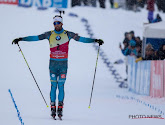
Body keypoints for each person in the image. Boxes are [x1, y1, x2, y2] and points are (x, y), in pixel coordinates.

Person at [12, 15, 104, 119]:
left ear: (62, 23)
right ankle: (52, 108)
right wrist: (21, 39)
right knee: (53, 86)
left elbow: (82, 39)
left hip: (63, 65)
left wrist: (95, 40)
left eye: (58, 23)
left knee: (61, 86)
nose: (56, 25)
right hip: (53, 65)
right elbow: (35, 38)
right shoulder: (49, 34)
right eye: (54, 23)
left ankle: (60, 108)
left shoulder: (68, 34)